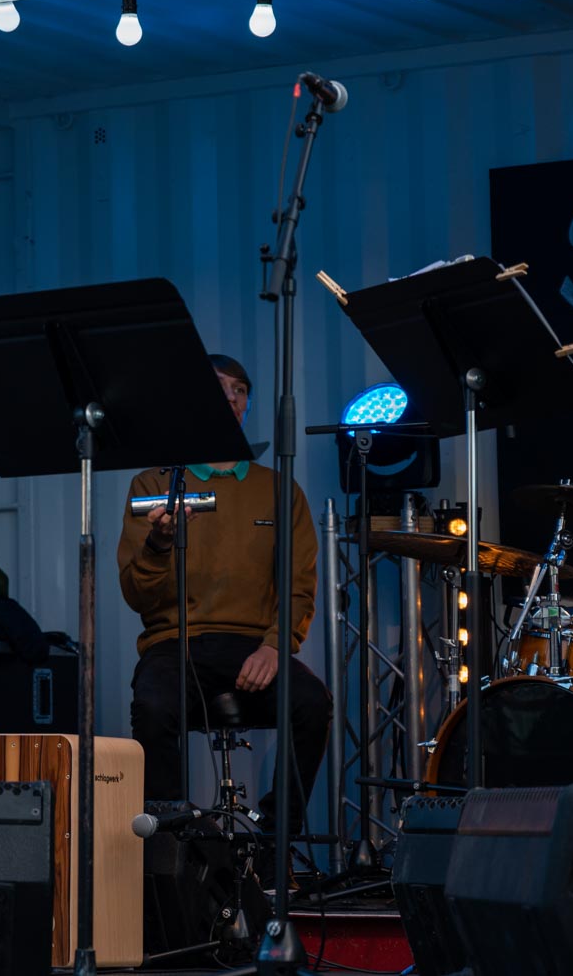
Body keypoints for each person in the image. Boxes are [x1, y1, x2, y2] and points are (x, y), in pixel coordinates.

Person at [116, 354, 330, 833]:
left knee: (313, 704)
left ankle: (276, 836)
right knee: (151, 707)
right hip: (175, 643)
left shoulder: (277, 490)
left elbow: (299, 583)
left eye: (240, 389)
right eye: (219, 387)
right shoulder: (153, 484)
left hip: (252, 646)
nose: (231, 397)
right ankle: (178, 842)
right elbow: (137, 593)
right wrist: (159, 542)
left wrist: (276, 645)